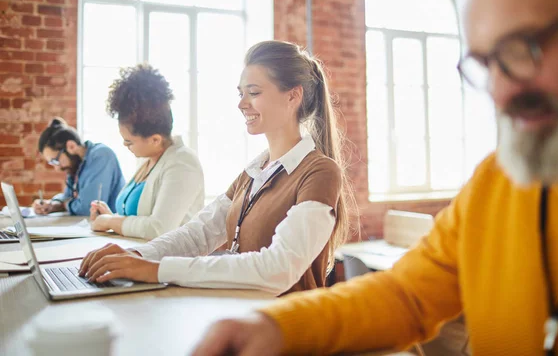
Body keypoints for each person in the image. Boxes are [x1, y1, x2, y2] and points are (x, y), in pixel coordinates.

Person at [191, 0, 558, 355]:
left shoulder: (317, 170)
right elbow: (406, 295)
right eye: (485, 63)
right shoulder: (497, 182)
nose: (501, 91)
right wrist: (275, 326)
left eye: (524, 48)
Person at [78, 40, 355, 295]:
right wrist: (139, 256)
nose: (241, 104)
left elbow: (279, 268)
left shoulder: (320, 172)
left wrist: (156, 270)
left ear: (293, 96)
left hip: (289, 328)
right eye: (240, 93)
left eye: (254, 92)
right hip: (244, 316)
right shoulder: (256, 170)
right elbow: (199, 233)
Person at [88, 64, 205, 240]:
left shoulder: (183, 162)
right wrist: (110, 217)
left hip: (166, 262)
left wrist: (110, 222)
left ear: (155, 140)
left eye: (129, 142)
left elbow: (159, 229)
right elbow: (138, 221)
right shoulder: (150, 160)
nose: (125, 145)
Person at [33, 117, 125, 216]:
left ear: (71, 146)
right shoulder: (76, 165)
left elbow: (88, 208)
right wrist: (52, 204)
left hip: (112, 228)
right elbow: (68, 196)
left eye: (56, 160)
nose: (57, 168)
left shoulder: (101, 155)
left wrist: (63, 205)